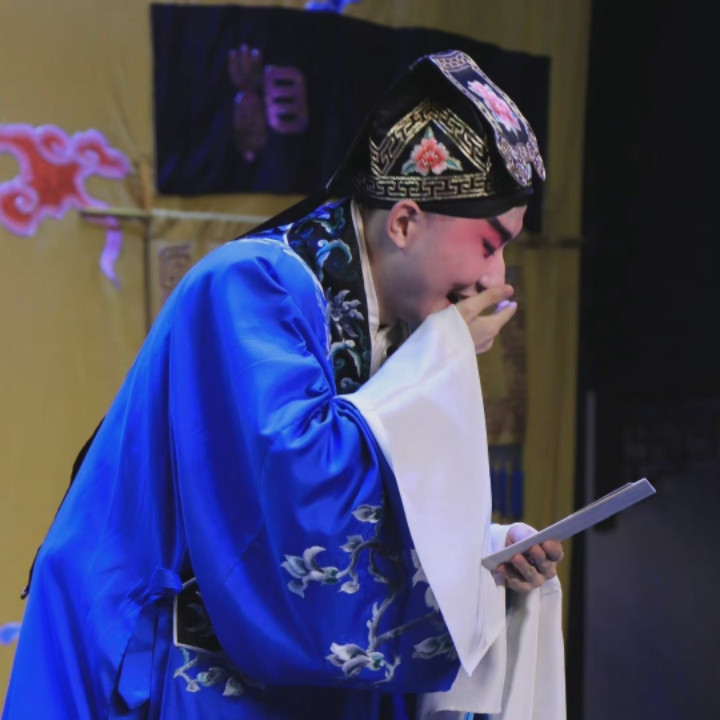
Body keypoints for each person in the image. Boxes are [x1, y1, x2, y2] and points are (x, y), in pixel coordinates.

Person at [2, 50, 565, 720]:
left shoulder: (402, 333)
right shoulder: (251, 286)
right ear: (404, 222)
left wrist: (484, 556)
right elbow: (294, 496)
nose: (496, 279)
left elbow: (375, 501)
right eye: (488, 244)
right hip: (169, 662)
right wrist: (438, 362)